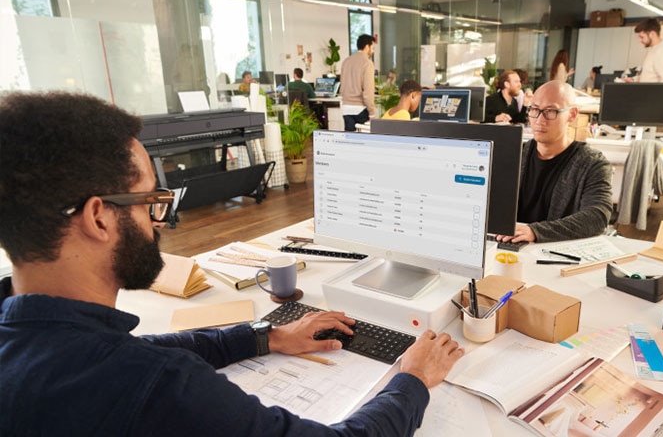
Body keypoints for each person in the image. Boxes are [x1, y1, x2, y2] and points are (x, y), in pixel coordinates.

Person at [0, 91, 465, 436]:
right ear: (98, 218)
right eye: (150, 202)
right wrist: (412, 380)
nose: (160, 222)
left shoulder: (31, 341)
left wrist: (266, 335)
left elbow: (149, 350)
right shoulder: (153, 387)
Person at [497, 81, 613, 244]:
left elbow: (597, 217)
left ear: (572, 115)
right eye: (535, 110)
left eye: (550, 111)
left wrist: (536, 231)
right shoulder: (516, 154)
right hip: (510, 248)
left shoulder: (593, 164)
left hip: (555, 251)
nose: (539, 120)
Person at [340, 34, 377, 130]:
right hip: (360, 109)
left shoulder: (346, 61)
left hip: (346, 109)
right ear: (367, 46)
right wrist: (372, 113)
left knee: (349, 141)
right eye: (372, 48)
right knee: (364, 141)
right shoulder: (367, 63)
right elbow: (368, 92)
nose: (373, 51)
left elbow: (342, 85)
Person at [629, 18, 663, 83]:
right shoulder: (654, 49)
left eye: (642, 37)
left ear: (652, 34)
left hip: (653, 93)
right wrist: (634, 79)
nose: (640, 41)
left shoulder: (662, 51)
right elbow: (650, 75)